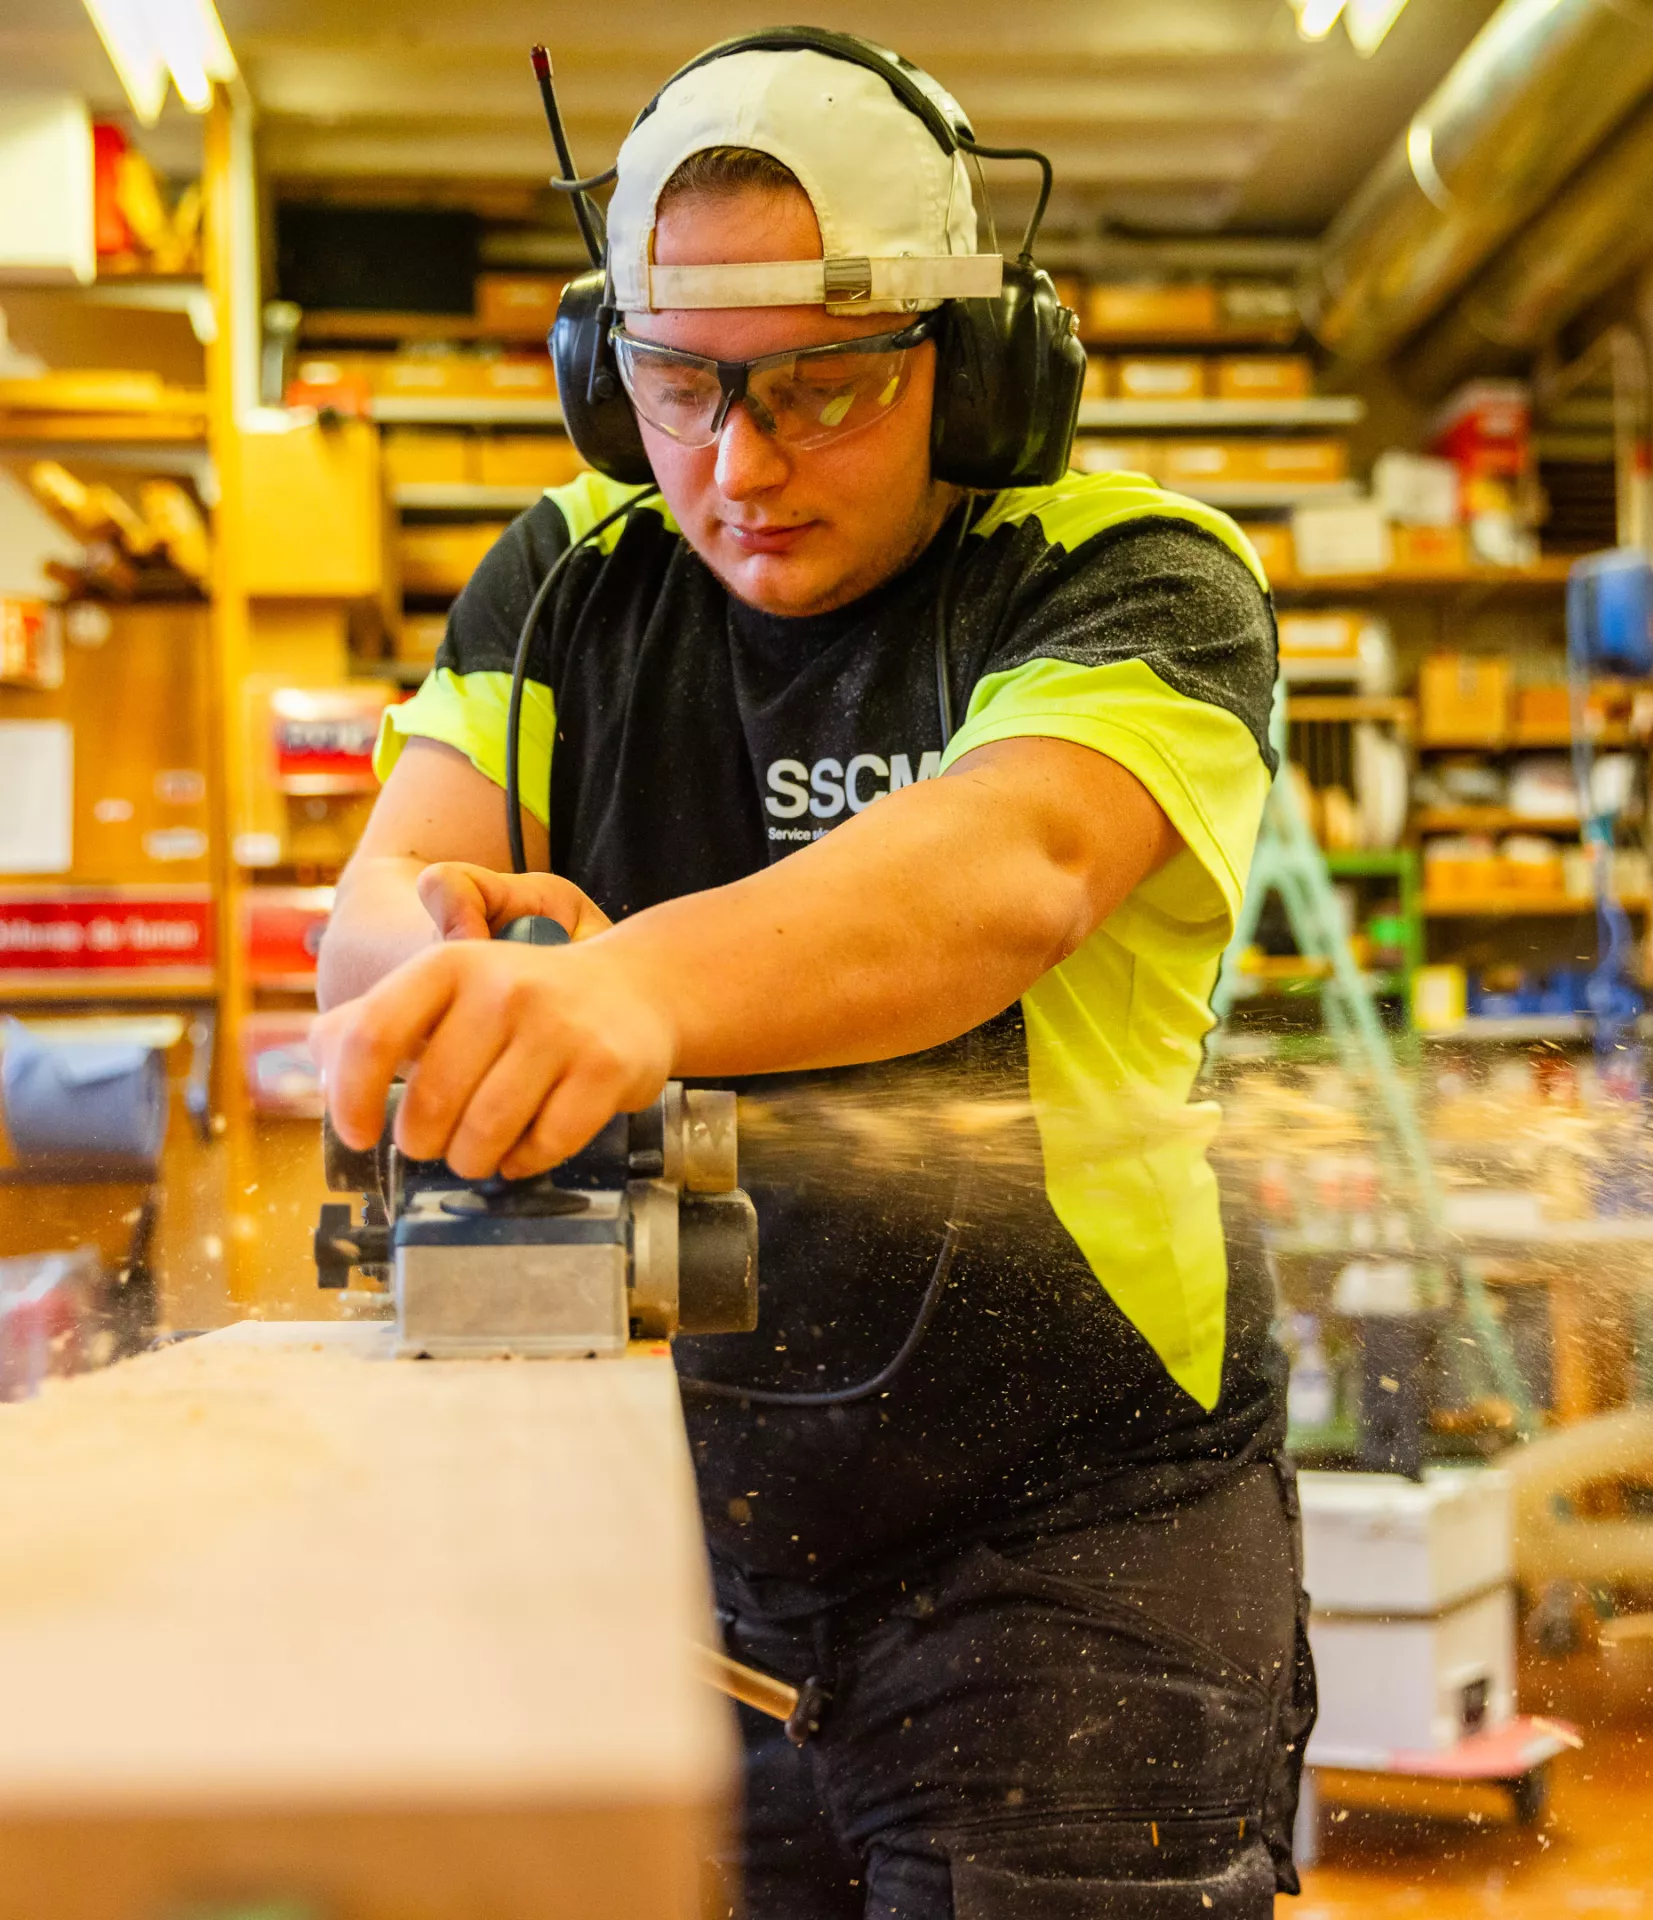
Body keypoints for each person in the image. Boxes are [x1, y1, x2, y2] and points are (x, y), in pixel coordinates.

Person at [315, 30, 1313, 1918]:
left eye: (824, 389)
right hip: (694, 1548)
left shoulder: (1129, 577)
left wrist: (633, 992)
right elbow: (376, 902)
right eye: (679, 388)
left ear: (980, 363)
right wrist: (444, 960)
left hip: (1075, 1538)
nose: (740, 462)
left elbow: (1006, 868)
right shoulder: (563, 581)